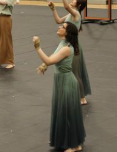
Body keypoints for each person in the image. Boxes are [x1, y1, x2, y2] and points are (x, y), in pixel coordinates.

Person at [32, 23, 86, 152]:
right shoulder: (62, 44)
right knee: (67, 112)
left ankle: (72, 145)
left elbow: (50, 61)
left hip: (67, 82)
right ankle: (75, 143)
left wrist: (37, 47)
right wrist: (44, 66)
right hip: (61, 81)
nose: (59, 27)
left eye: (62, 27)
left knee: (67, 113)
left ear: (67, 33)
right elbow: (53, 58)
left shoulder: (67, 48)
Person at [46, 0, 91, 105]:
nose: (73, 0)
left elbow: (66, 7)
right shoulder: (71, 14)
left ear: (79, 5)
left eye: (75, 0)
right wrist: (53, 9)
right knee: (66, 70)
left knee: (75, 72)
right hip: (65, 44)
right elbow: (58, 21)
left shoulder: (76, 14)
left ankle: (82, 97)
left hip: (73, 47)